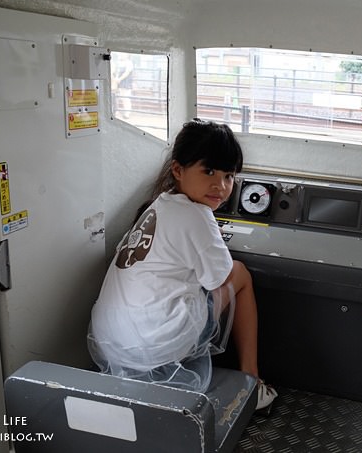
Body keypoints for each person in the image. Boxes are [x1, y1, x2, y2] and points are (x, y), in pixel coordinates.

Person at [88, 119, 277, 410]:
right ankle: (252, 380)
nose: (221, 185)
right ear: (178, 170)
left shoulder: (158, 205)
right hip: (155, 343)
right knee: (240, 274)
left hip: (110, 341)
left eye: (229, 176)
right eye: (209, 171)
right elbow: (220, 278)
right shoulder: (197, 216)